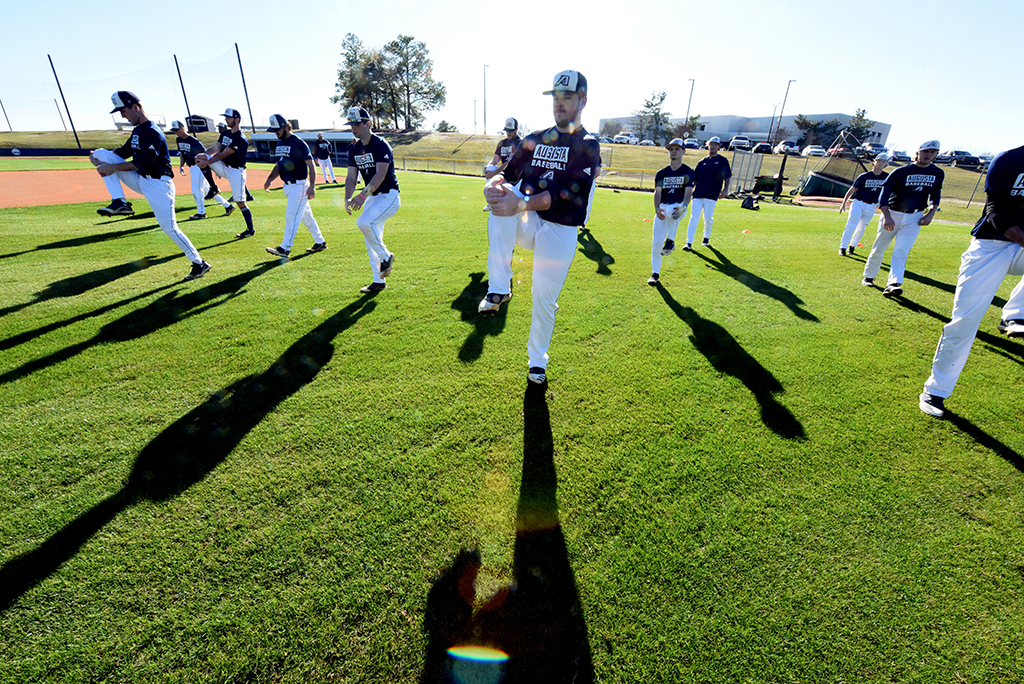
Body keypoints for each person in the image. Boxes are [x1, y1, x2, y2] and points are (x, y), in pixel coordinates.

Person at [480, 70, 601, 385]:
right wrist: (492, 187)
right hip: (530, 220)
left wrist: (517, 204)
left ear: (582, 100)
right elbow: (505, 175)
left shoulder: (587, 144)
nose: (560, 104)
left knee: (543, 297)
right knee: (499, 203)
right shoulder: (534, 137)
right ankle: (500, 287)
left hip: (560, 228)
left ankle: (537, 362)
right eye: (557, 97)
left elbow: (562, 197)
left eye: (568, 97)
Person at [919, 145, 1024, 417]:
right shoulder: (1010, 160)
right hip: (991, 244)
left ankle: (1016, 315)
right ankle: (935, 391)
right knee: (964, 321)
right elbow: (997, 213)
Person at [91, 91, 210, 280]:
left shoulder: (151, 132)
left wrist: (111, 167)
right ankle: (120, 202)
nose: (122, 116)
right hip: (142, 179)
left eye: (123, 111)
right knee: (102, 153)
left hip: (158, 186)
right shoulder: (138, 131)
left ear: (135, 107)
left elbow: (145, 163)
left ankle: (199, 263)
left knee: (169, 228)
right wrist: (99, 158)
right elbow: (123, 152)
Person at [862, 140, 945, 296]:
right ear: (918, 152)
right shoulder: (900, 171)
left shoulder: (938, 173)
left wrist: (931, 213)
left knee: (901, 250)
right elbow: (884, 194)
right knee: (879, 248)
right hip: (893, 214)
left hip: (915, 217)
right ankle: (869, 276)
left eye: (932, 152)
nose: (928, 155)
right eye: (926, 151)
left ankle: (893, 283)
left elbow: (935, 195)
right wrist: (887, 216)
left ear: (936, 155)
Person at [344, 107, 400, 293]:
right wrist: (347, 197)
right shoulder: (354, 148)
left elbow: (381, 174)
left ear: (368, 124)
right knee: (371, 241)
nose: (354, 128)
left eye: (357, 124)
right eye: (351, 124)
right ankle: (378, 281)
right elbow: (352, 177)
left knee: (364, 222)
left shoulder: (381, 144)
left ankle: (386, 256)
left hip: (388, 196)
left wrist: (362, 195)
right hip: (373, 198)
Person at [262, 114, 327, 257]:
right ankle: (320, 242)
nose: (276, 132)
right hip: (289, 186)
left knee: (291, 216)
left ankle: (285, 248)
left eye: (278, 129)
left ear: (286, 126)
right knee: (306, 217)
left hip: (300, 185)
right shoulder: (279, 143)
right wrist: (270, 179)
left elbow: (311, 165)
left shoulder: (298, 142)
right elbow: (279, 164)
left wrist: (312, 186)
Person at [197, 108, 256, 239]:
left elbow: (222, 154)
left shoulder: (240, 138)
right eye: (225, 117)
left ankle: (250, 230)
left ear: (237, 119)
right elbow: (215, 149)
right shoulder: (225, 134)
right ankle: (213, 188)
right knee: (200, 157)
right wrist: (204, 155)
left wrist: (207, 162)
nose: (226, 120)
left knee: (241, 202)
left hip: (236, 171)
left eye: (228, 118)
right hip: (223, 166)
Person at [648, 138, 694, 285]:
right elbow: (657, 192)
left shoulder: (688, 171)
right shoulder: (662, 173)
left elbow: (688, 192)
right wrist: (656, 209)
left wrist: (685, 206)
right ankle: (655, 273)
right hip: (663, 207)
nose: (673, 151)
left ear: (683, 151)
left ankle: (671, 240)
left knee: (673, 210)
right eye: (671, 149)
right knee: (656, 243)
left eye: (677, 148)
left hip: (680, 207)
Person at [168, 120, 233, 221]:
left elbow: (205, 154)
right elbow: (182, 153)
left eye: (177, 130)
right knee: (207, 190)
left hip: (198, 167)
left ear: (183, 128)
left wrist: (212, 168)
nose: (176, 132)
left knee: (196, 190)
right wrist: (181, 165)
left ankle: (201, 212)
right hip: (192, 167)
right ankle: (228, 206)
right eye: (174, 130)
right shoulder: (178, 140)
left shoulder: (194, 141)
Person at [684, 136, 731, 250]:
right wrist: (689, 191)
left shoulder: (722, 161)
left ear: (719, 146)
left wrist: (725, 190)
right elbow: (695, 179)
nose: (713, 146)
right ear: (708, 145)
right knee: (694, 217)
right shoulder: (702, 162)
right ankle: (689, 242)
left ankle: (706, 237)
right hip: (698, 194)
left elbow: (727, 176)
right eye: (711, 144)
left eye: (715, 144)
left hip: (712, 194)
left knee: (708, 218)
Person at [838, 153, 889, 256]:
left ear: (886, 164)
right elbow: (852, 189)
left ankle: (852, 246)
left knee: (862, 227)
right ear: (874, 163)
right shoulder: (864, 176)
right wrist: (843, 203)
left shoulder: (886, 177)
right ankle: (843, 247)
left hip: (872, 205)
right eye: (879, 161)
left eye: (884, 162)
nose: (881, 163)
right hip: (859, 203)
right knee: (851, 224)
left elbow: (889, 192)